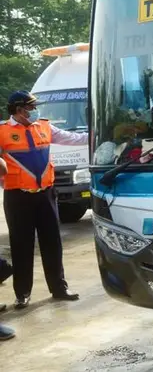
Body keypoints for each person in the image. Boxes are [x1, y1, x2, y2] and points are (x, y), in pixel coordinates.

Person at [1, 90, 86, 309]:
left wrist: (101, 134)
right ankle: (22, 294)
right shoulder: (2, 131)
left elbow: (74, 138)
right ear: (19, 110)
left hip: (46, 194)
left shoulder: (45, 126)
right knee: (21, 246)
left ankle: (59, 288)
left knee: (52, 243)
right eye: (30, 107)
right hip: (17, 197)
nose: (34, 111)